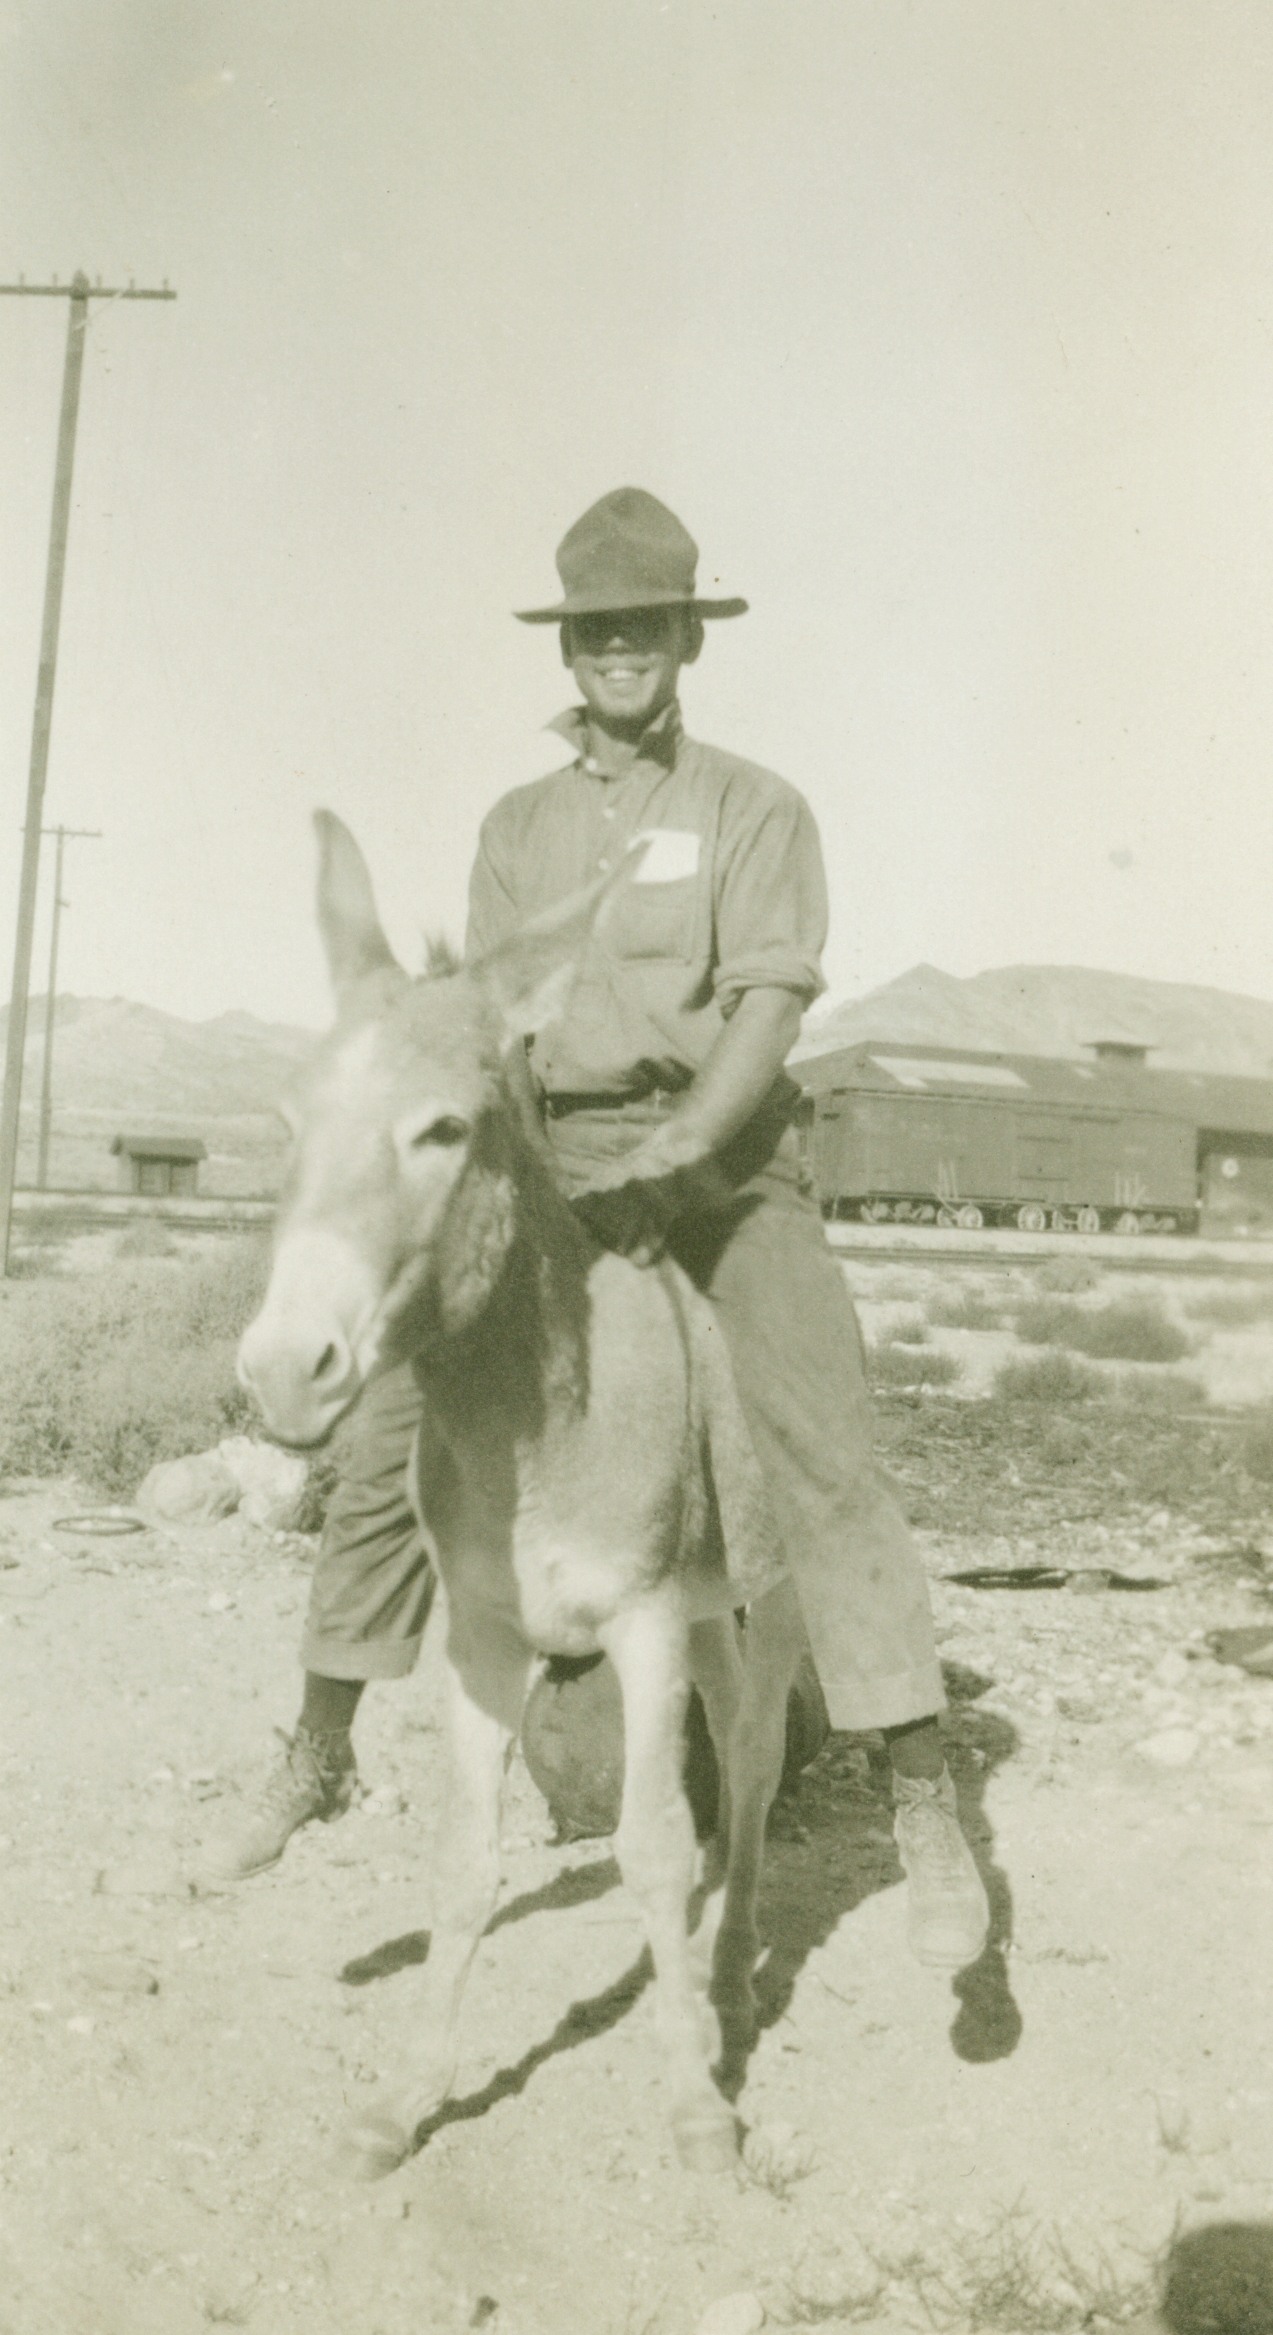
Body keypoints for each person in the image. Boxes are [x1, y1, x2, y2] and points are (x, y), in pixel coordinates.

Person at [207, 488, 988, 1971]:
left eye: (644, 624)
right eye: (593, 629)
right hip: (554, 1159)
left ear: (688, 636)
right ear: (567, 648)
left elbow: (768, 1005)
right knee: (396, 1422)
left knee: (816, 1429)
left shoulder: (754, 808)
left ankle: (919, 1785)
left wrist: (684, 1157)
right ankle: (317, 1741)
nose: (618, 648)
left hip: (724, 1157)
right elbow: (490, 1035)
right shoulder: (518, 828)